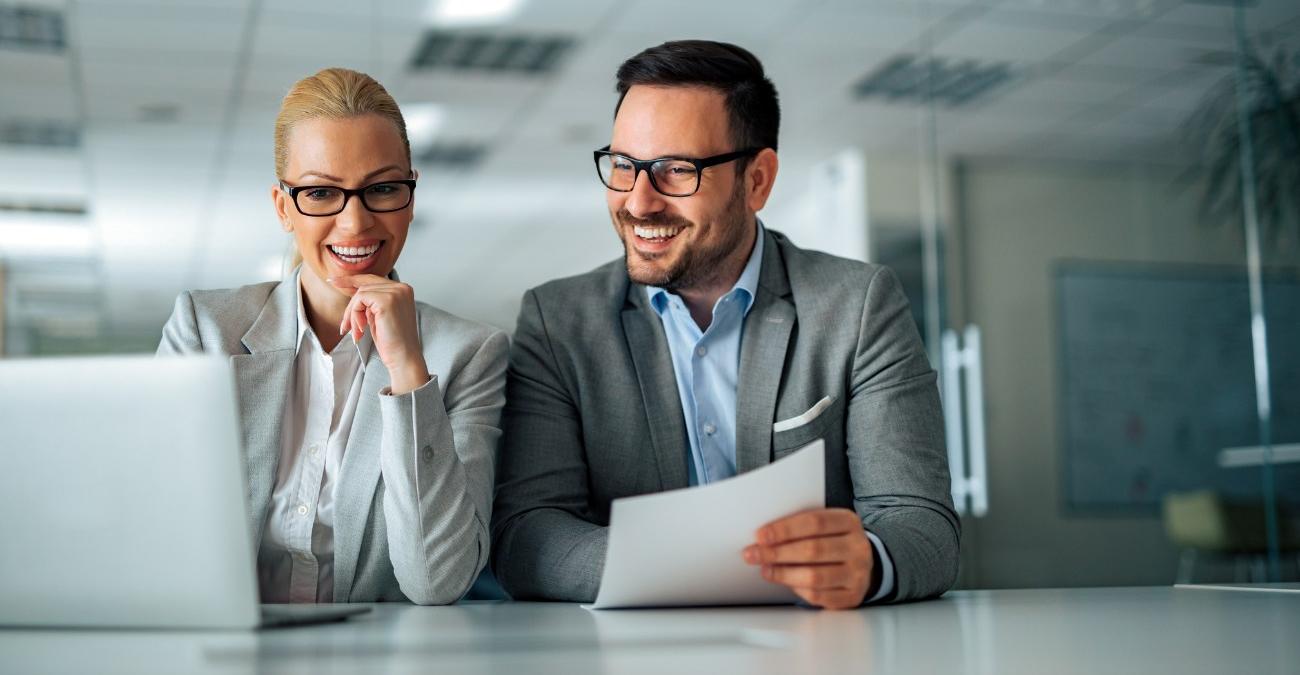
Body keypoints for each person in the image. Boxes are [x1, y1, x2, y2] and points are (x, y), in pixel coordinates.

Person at [491, 41, 958, 609]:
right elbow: (527, 536)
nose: (638, 202)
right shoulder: (559, 323)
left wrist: (870, 561)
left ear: (757, 180)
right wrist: (698, 566)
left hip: (816, 643)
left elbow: (923, 527)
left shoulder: (857, 306)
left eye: (676, 170)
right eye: (624, 166)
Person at [158, 68, 507, 605]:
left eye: (382, 189)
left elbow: (438, 581)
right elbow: (159, 533)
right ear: (283, 207)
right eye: (321, 193)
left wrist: (408, 373)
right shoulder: (205, 332)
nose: (355, 223)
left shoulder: (468, 355)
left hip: (373, 647)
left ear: (411, 197)